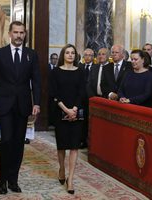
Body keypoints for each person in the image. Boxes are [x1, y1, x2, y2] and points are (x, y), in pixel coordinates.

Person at [0, 21, 41, 195]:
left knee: (18, 144)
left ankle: (13, 180)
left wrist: (37, 103)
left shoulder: (31, 55)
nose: (19, 35)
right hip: (4, 105)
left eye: (22, 32)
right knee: (6, 141)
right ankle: (2, 180)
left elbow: (37, 82)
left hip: (23, 105)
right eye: (16, 32)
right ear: (10, 33)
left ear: (25, 34)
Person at [50, 44, 84, 194]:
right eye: (67, 53)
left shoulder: (81, 72)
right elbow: (54, 93)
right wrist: (66, 110)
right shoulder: (56, 72)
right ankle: (62, 169)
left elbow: (81, 92)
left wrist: (74, 109)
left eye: (73, 53)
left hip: (76, 113)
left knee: (74, 146)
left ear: (75, 56)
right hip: (60, 111)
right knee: (62, 145)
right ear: (63, 55)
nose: (70, 55)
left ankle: (70, 179)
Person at [78, 48, 96, 148]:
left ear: (93, 57)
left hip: (91, 98)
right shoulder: (79, 66)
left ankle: (90, 141)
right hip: (80, 98)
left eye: (90, 55)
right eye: (86, 55)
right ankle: (81, 140)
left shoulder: (97, 67)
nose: (88, 57)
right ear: (83, 57)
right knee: (81, 119)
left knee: (90, 121)